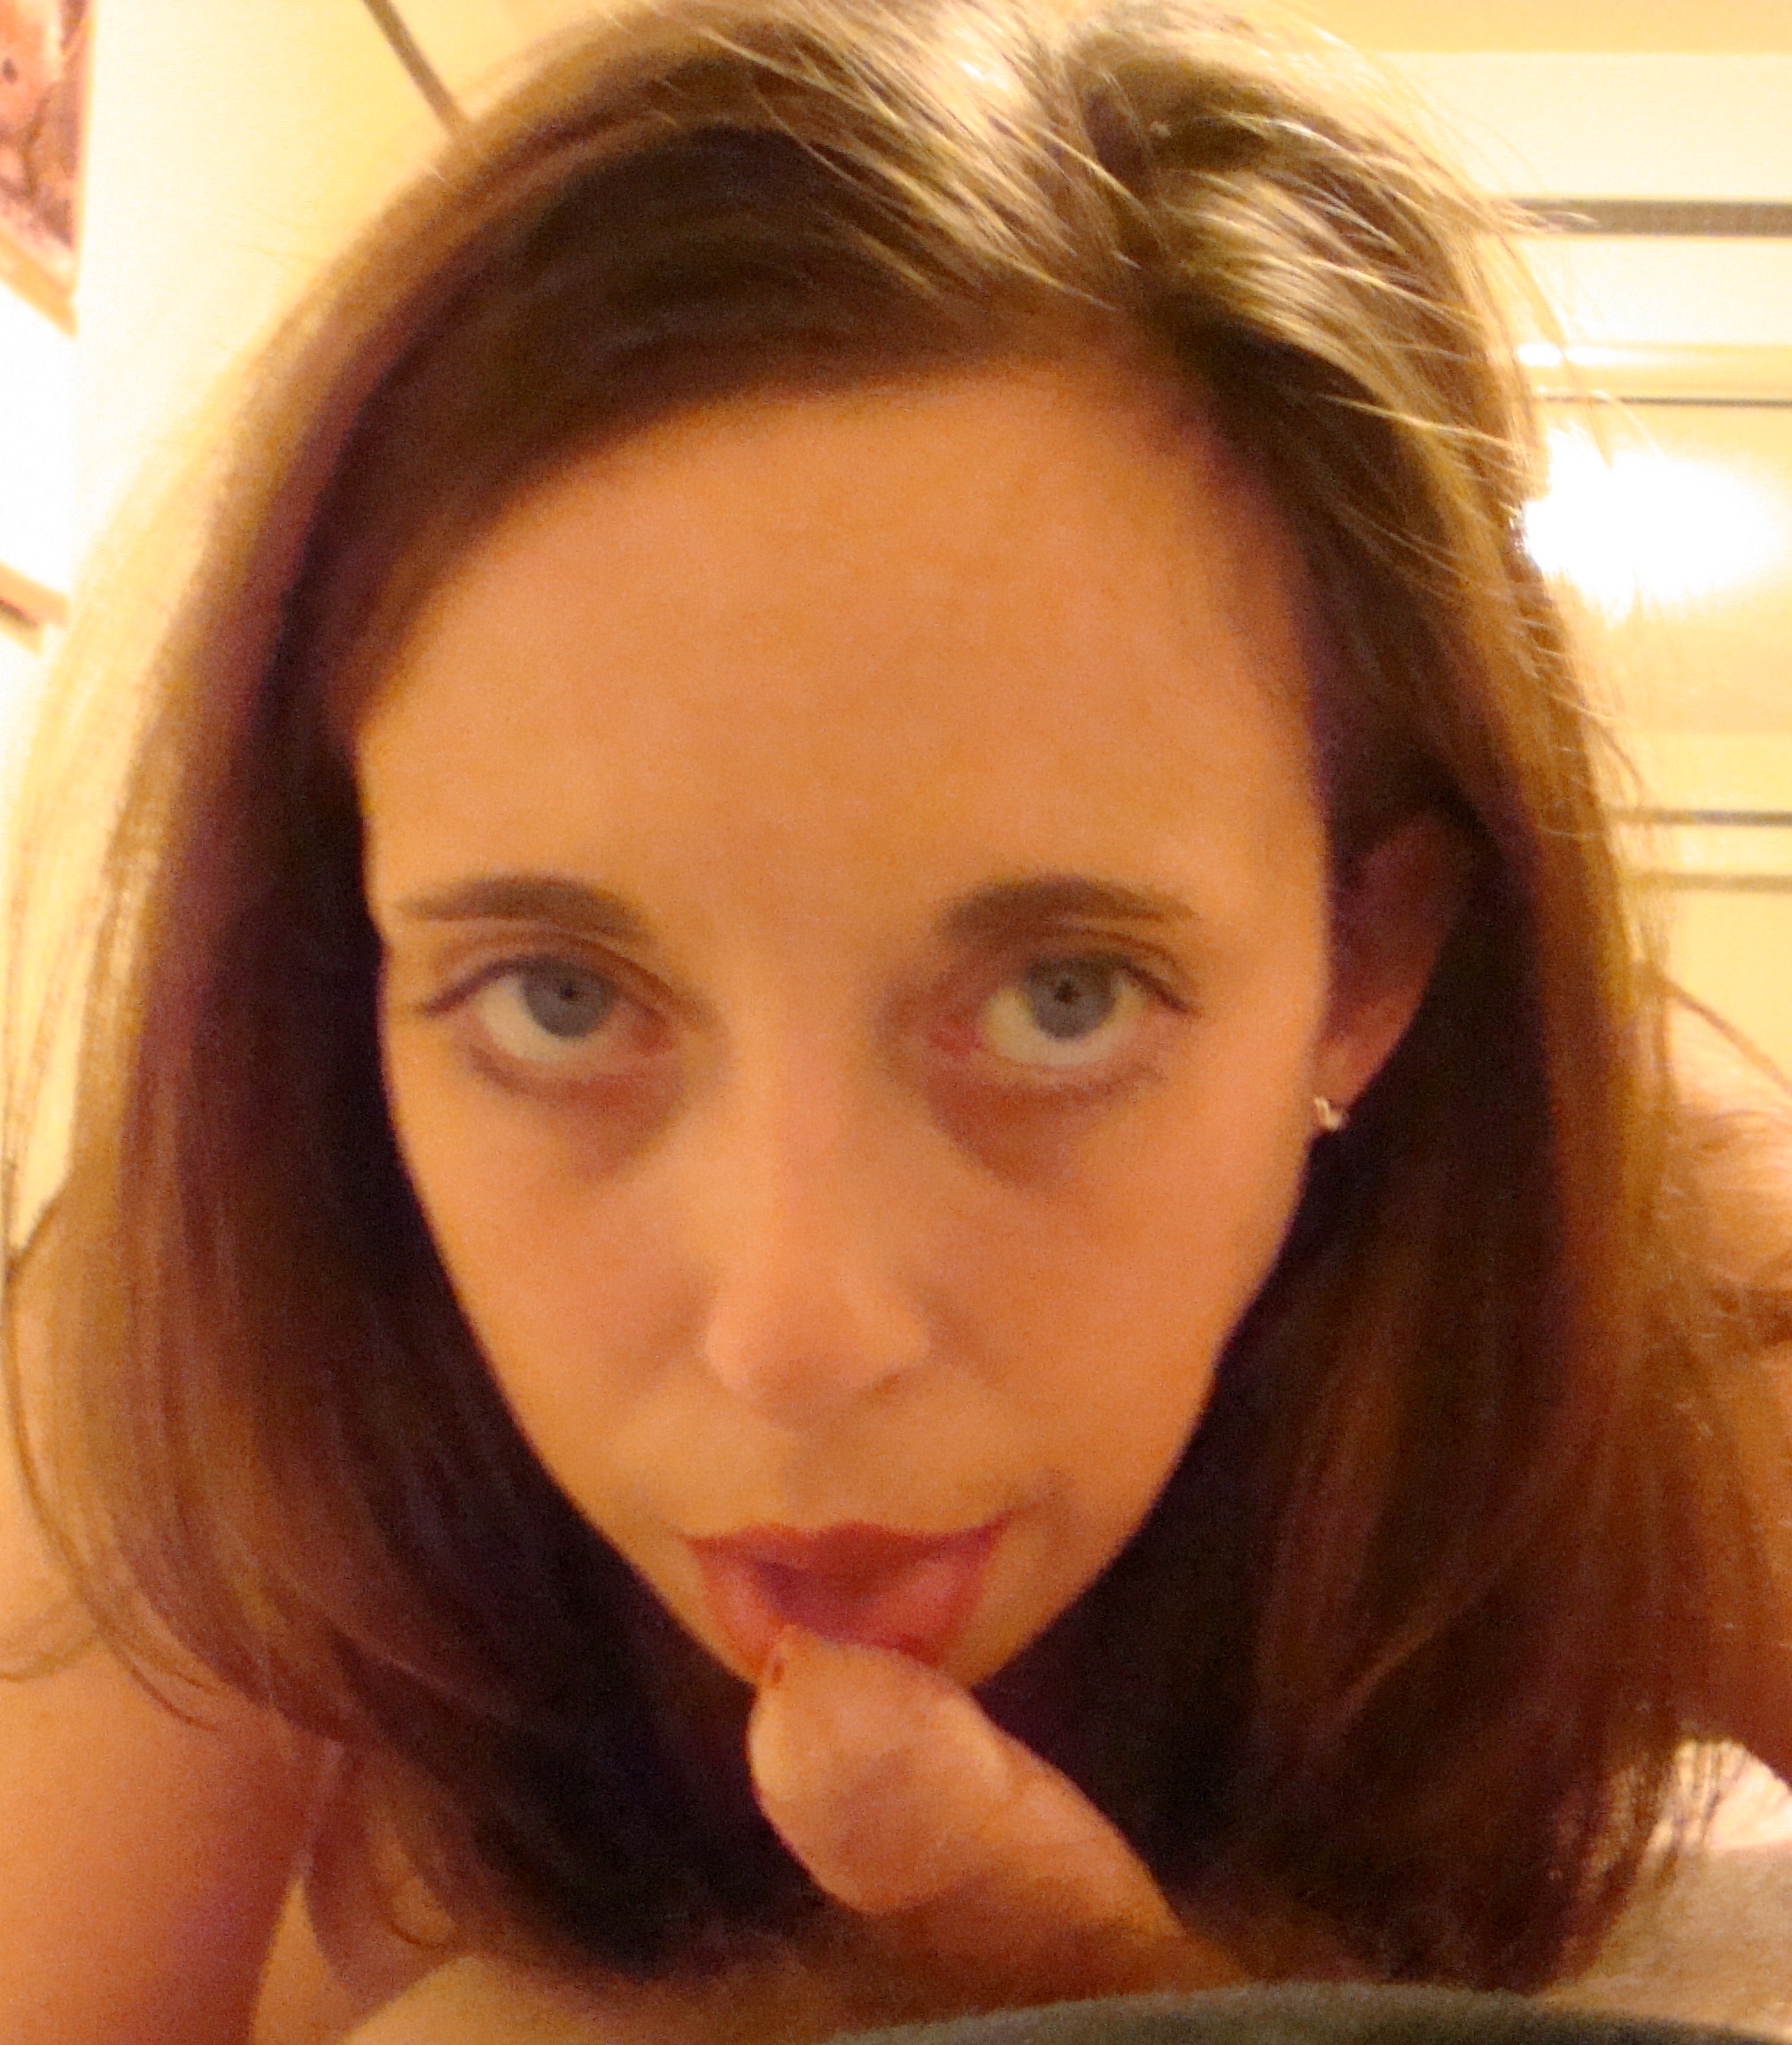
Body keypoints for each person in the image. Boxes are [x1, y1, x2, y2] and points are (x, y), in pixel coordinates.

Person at [3, 1, 1789, 2040]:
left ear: (1362, 965)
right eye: (557, 999)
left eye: (1057, 998)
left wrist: (1154, 2006)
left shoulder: (1655, 1282)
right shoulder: (195, 1321)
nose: (794, 1329)